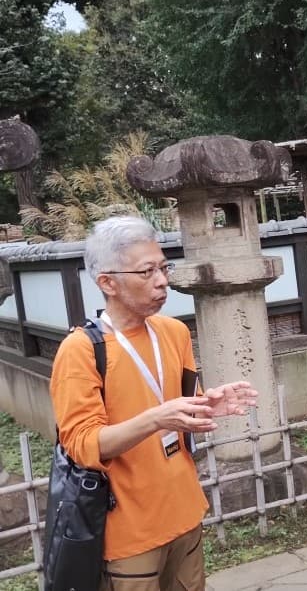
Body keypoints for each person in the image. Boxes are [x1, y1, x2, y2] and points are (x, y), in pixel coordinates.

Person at [50, 216, 259, 591]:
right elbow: (82, 446)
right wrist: (154, 419)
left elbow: (180, 406)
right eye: (147, 272)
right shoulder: (81, 350)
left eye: (163, 268)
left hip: (183, 510)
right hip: (129, 528)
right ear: (107, 282)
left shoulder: (173, 332)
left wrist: (206, 406)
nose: (162, 281)